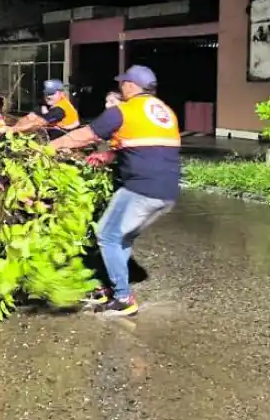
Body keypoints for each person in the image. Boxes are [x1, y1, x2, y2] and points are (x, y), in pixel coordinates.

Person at [51, 65, 181, 316]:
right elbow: (148, 145)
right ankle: (113, 287)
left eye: (123, 83)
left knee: (107, 235)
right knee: (122, 238)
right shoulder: (165, 112)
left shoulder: (123, 111)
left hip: (141, 189)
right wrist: (108, 156)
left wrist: (47, 149)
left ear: (131, 85)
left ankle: (123, 297)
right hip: (167, 193)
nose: (121, 87)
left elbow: (83, 136)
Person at [10, 79, 81, 140]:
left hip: (65, 139)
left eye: (51, 93)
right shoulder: (56, 102)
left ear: (61, 93)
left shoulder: (59, 109)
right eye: (46, 93)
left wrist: (12, 130)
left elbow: (38, 123)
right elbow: (32, 115)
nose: (47, 96)